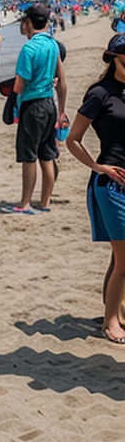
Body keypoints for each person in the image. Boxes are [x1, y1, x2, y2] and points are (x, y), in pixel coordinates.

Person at [66, 34, 125, 343]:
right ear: (112, 58)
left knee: (119, 260)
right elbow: (72, 139)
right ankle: (110, 322)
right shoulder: (100, 93)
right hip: (112, 186)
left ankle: (115, 312)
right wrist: (97, 167)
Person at [8, 3, 67, 213]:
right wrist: (61, 111)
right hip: (49, 105)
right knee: (47, 155)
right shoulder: (53, 45)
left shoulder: (29, 48)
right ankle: (45, 202)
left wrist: (12, 99)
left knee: (29, 156)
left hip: (32, 107)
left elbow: (21, 82)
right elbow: (62, 82)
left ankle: (24, 203)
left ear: (29, 22)